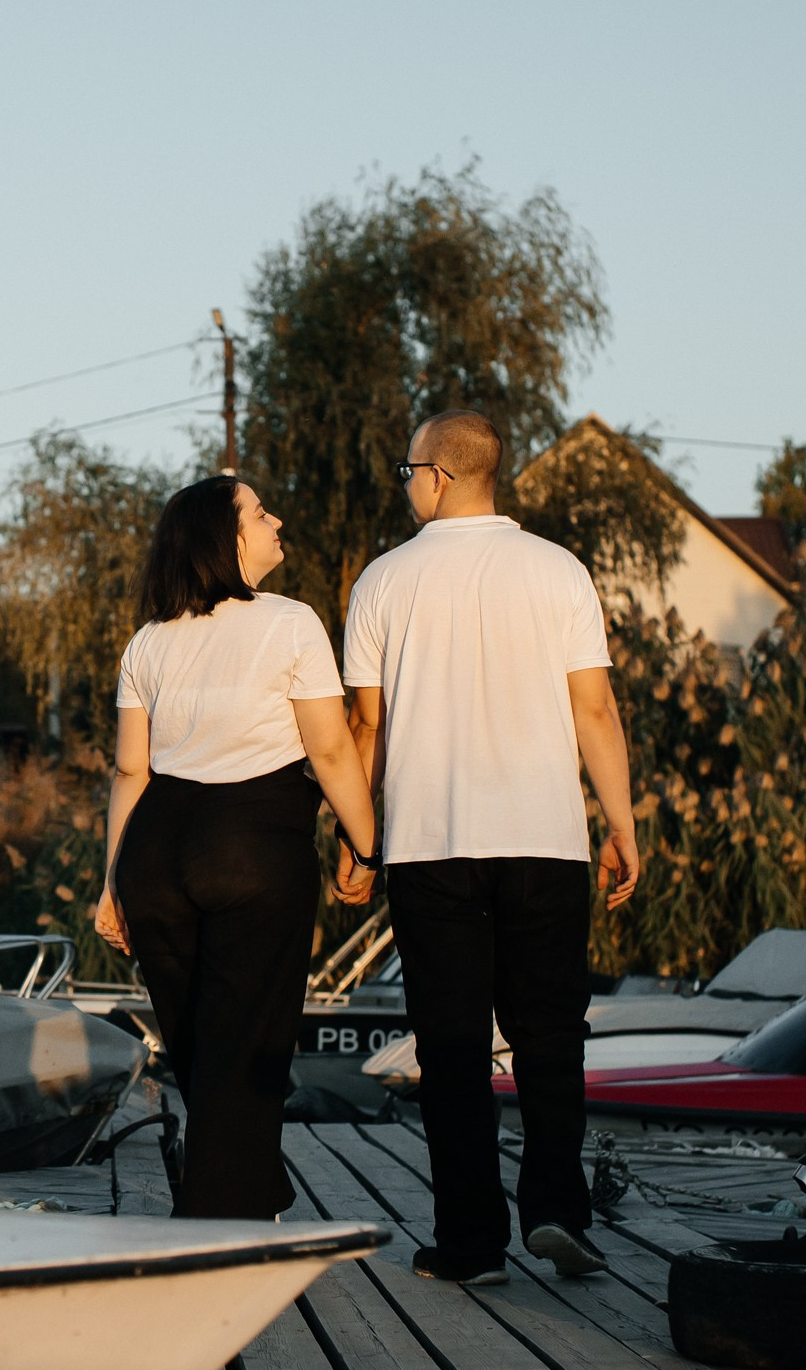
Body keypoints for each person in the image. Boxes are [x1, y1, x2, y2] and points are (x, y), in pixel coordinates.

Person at [336, 410, 640, 1282]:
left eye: (406, 471)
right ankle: (558, 1213)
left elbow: (368, 728)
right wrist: (618, 823)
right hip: (546, 840)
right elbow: (594, 710)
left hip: (432, 844)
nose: (405, 486)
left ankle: (472, 1244)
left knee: (453, 1048)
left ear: (436, 474)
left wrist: (360, 843)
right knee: (551, 1037)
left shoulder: (384, 583)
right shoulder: (559, 571)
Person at [94, 475, 379, 1220]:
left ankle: (255, 1188)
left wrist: (109, 883)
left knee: (198, 1050)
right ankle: (214, 1224)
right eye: (259, 512)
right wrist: (367, 844)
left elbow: (131, 770)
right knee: (246, 1050)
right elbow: (332, 750)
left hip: (155, 856)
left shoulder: (148, 641)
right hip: (251, 846)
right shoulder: (289, 624)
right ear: (227, 538)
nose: (276, 518)